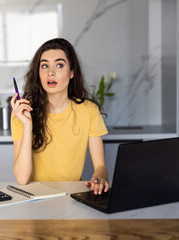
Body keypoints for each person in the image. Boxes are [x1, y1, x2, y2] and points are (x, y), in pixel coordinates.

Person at [10, 38, 109, 195]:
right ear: (39, 73)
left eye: (59, 65)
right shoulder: (22, 113)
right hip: (35, 198)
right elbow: (22, 178)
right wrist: (27, 126)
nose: (51, 72)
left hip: (72, 195)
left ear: (71, 73)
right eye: (44, 66)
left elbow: (101, 167)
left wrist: (99, 179)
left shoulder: (89, 111)